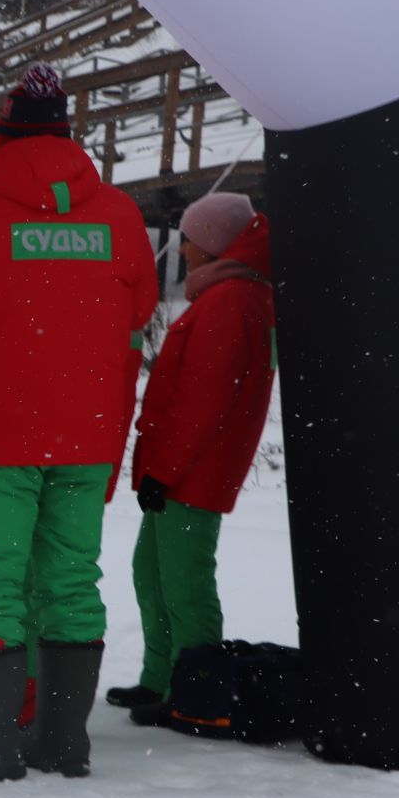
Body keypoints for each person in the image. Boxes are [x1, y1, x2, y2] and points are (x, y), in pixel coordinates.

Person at [0, 62, 159, 781]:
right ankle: (61, 740)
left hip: (0, 434)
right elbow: (136, 319)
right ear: (71, 138)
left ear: (1, 137)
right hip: (88, 435)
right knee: (71, 580)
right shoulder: (120, 217)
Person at [110, 197, 276, 727]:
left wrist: (165, 468)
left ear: (213, 244)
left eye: (189, 238)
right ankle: (162, 680)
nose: (181, 248)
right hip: (183, 467)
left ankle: (199, 698)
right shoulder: (230, 294)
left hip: (192, 471)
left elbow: (204, 402)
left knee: (184, 582)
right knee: (152, 571)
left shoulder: (231, 301)